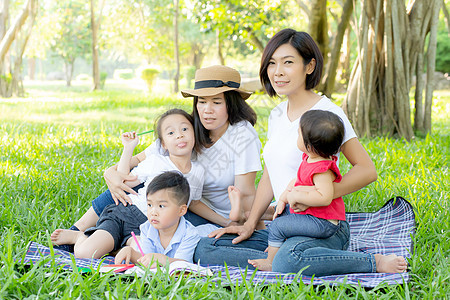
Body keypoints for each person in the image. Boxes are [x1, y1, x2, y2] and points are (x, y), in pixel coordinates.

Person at [197, 28, 407, 276]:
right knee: (206, 248)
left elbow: (366, 170)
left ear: (309, 66)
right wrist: (250, 224)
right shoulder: (277, 114)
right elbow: (269, 174)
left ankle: (372, 262)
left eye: (288, 62)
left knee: (289, 260)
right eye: (272, 63)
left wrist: (319, 194)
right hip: (286, 223)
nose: (278, 72)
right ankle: (290, 258)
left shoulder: (328, 113)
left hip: (322, 224)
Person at [86, 65, 263, 231]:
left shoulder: (242, 135)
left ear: (231, 104)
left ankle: (108, 239)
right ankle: (77, 231)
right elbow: (138, 161)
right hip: (178, 203)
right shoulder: (187, 129)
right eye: (202, 102)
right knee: (129, 188)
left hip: (212, 216)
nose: (207, 110)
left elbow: (246, 194)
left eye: (217, 102)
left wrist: (245, 226)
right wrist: (110, 172)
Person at [51, 109, 204, 258]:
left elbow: (194, 203)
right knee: (85, 253)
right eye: (171, 133)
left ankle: (115, 246)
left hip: (148, 228)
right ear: (163, 143)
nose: (179, 135)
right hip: (125, 214)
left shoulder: (198, 171)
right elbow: (123, 181)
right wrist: (128, 148)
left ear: (194, 134)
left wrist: (225, 221)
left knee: (144, 257)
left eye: (185, 129)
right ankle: (79, 237)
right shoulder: (156, 161)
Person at [248, 109, 346, 271]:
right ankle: (276, 245)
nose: (297, 136)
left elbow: (325, 197)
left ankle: (271, 261)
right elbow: (297, 180)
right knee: (283, 214)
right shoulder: (310, 159)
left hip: (324, 223)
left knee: (278, 225)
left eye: (299, 133)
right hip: (312, 217)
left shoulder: (322, 169)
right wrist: (284, 197)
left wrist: (298, 195)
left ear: (309, 145)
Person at [114, 171, 200, 266]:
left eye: (161, 206)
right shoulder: (147, 228)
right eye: (150, 205)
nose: (153, 212)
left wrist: (163, 259)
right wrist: (131, 252)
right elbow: (146, 259)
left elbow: (183, 265)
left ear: (181, 210)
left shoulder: (189, 234)